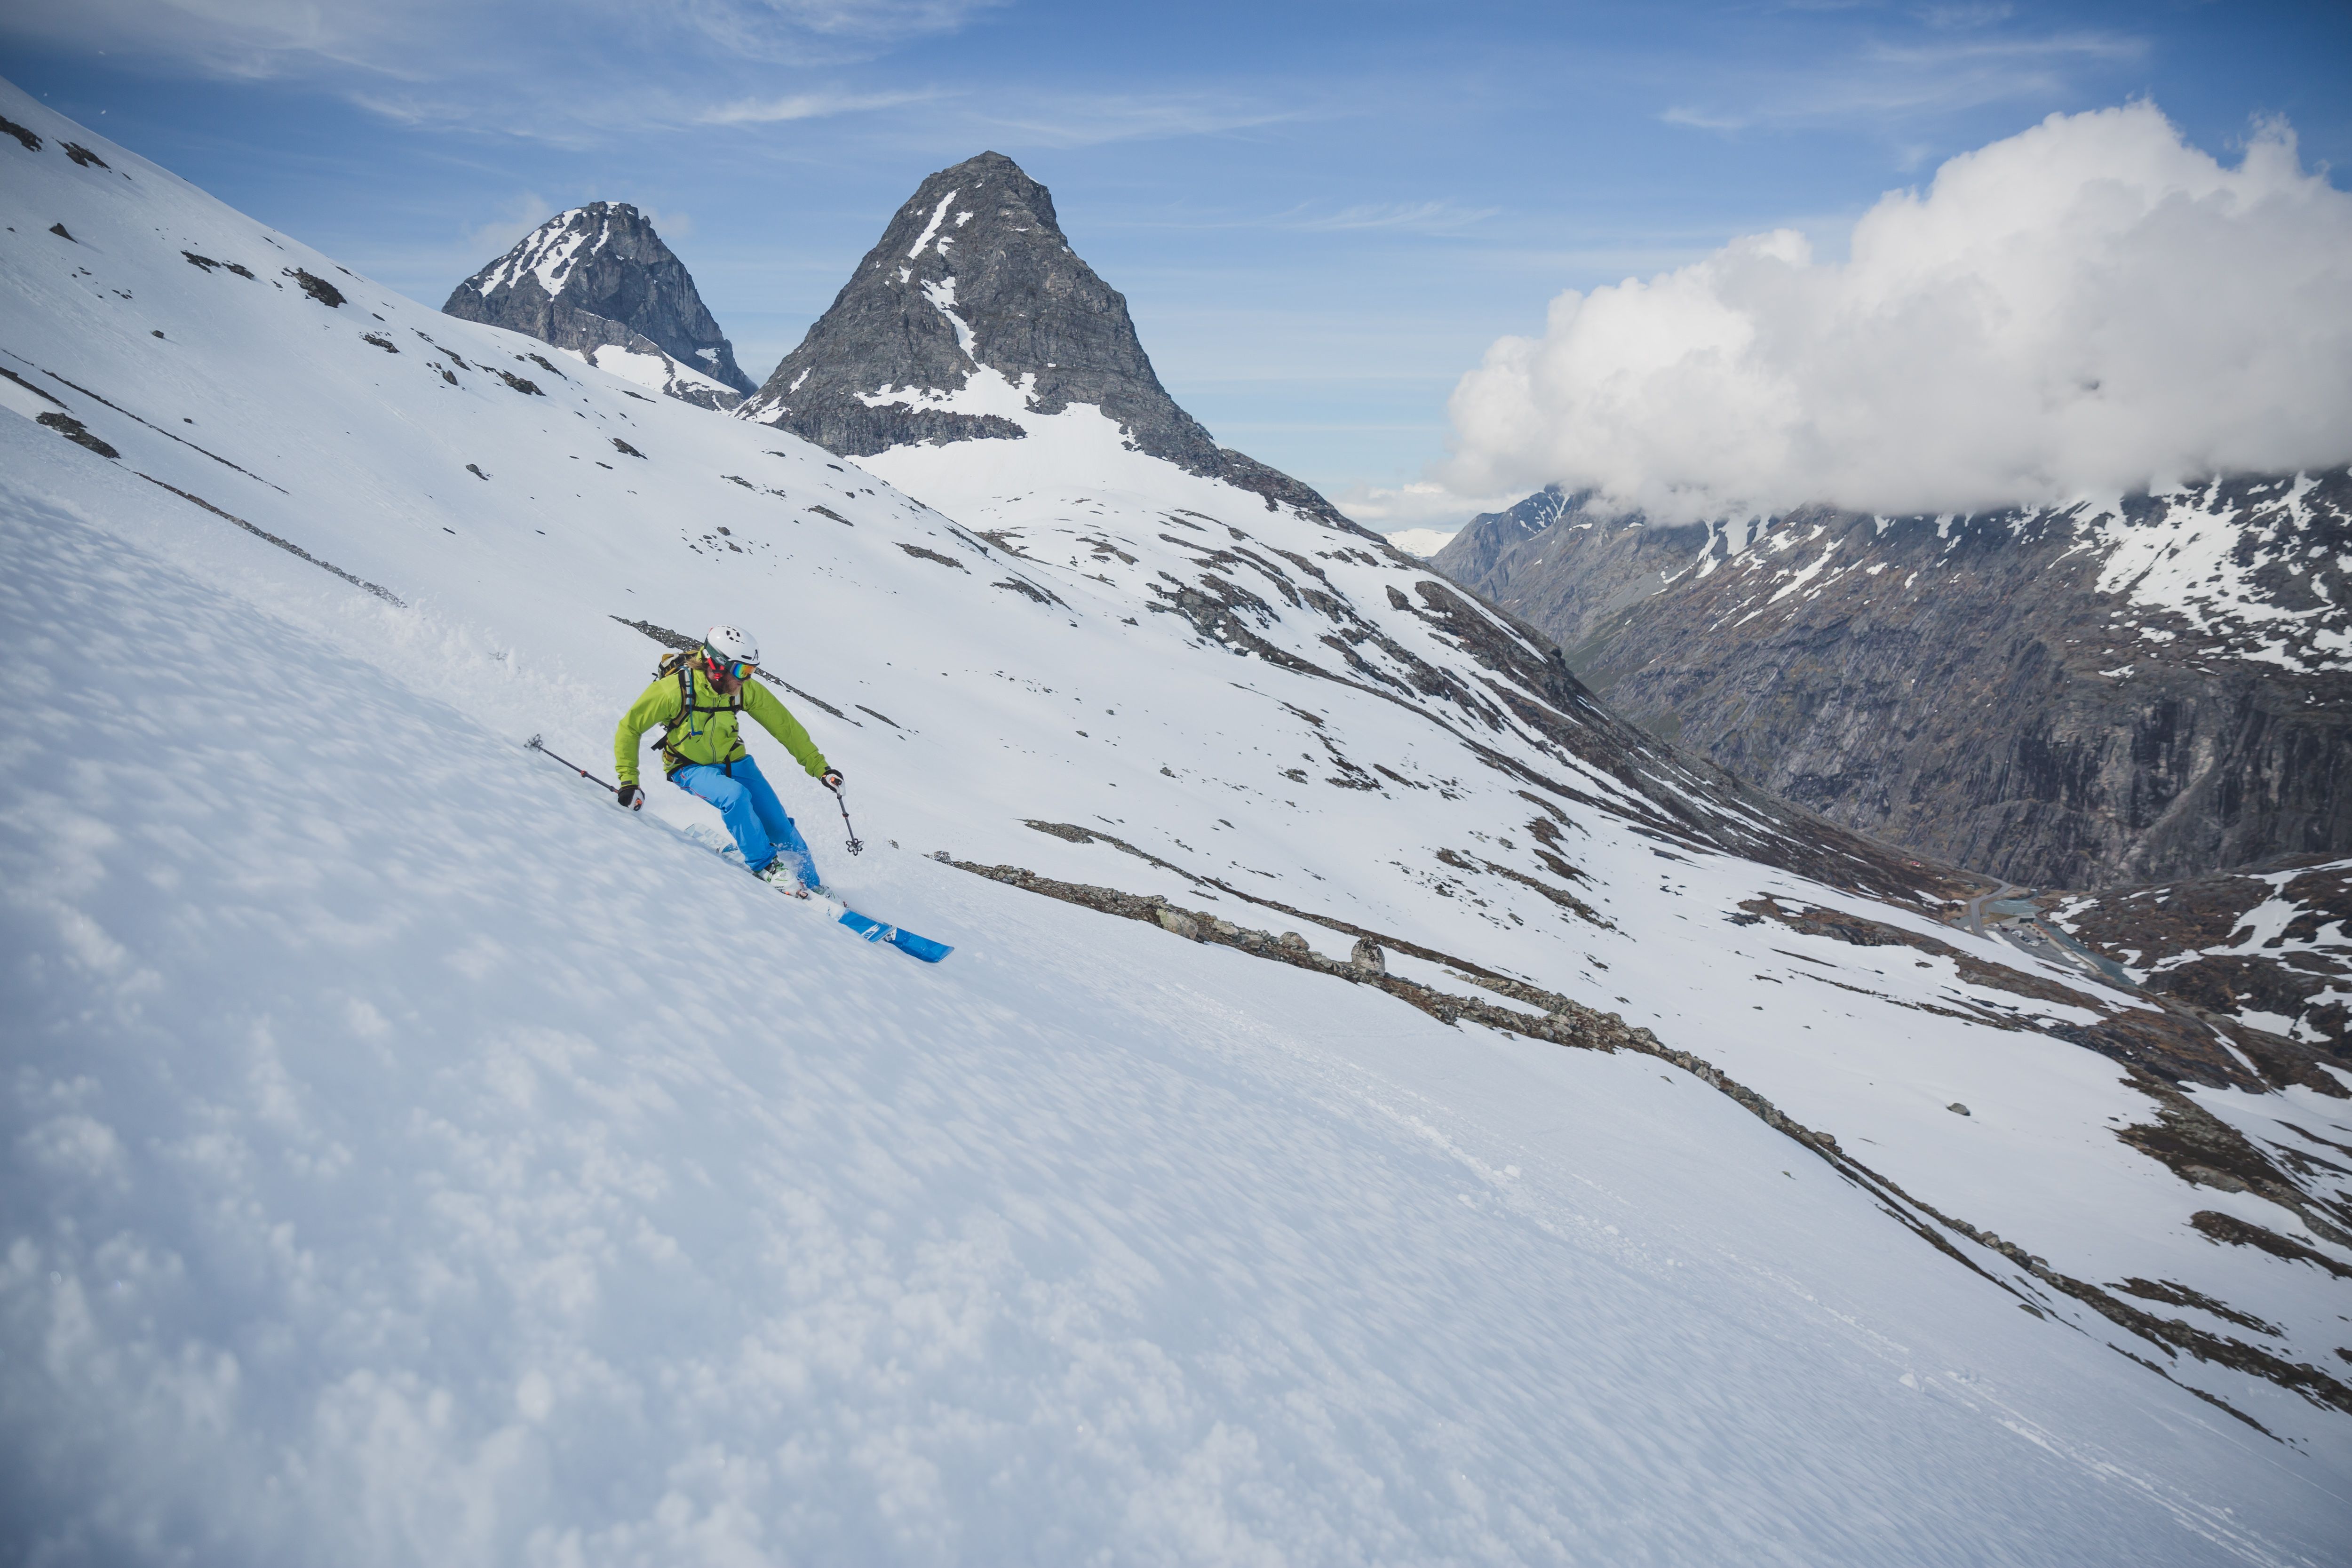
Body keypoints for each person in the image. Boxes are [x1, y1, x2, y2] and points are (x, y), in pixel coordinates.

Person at [613, 624, 843, 894]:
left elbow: (787, 728)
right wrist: (629, 780)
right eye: (742, 671)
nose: (746, 680)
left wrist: (820, 768)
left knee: (780, 828)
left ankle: (813, 885)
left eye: (751, 672)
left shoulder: (742, 690)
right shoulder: (673, 691)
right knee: (735, 796)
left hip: (735, 761)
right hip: (689, 766)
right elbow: (630, 728)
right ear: (717, 665)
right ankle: (765, 866)